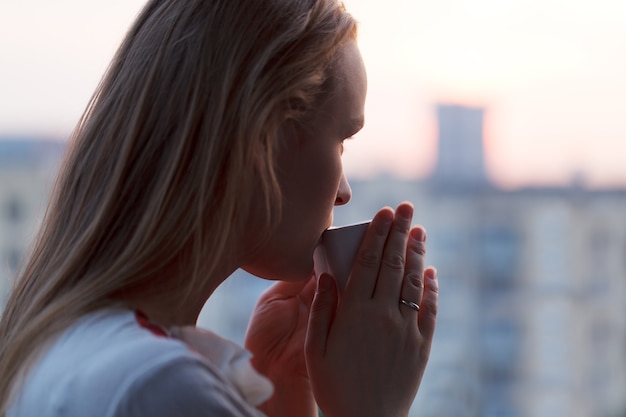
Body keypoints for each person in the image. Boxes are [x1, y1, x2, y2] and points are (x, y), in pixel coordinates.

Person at [0, 0, 439, 416]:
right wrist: (370, 407)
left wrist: (280, 393)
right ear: (264, 137)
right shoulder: (160, 387)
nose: (342, 192)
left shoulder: (64, 346)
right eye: (342, 140)